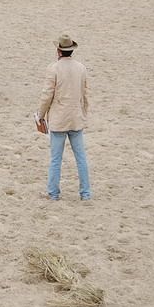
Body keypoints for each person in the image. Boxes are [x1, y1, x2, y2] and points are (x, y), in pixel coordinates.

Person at [37, 34, 91, 201]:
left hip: (59, 119)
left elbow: (47, 95)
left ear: (59, 50)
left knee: (55, 159)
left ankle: (53, 193)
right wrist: (84, 113)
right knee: (81, 158)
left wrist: (40, 115)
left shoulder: (53, 68)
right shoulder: (81, 68)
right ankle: (85, 193)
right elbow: (85, 93)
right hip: (76, 117)